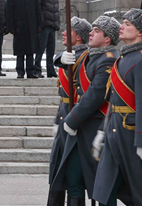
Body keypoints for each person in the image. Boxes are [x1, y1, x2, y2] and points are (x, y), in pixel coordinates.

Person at [92, 9, 142, 206]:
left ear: (140, 32)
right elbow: (114, 101)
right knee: (105, 191)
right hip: (115, 132)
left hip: (131, 134)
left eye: (128, 24)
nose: (122, 26)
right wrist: (103, 132)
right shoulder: (122, 58)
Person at [48, 16, 120, 206]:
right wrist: (59, 58)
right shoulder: (94, 55)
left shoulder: (107, 59)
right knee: (73, 179)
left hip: (95, 124)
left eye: (96, 30)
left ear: (107, 38)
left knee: (100, 185)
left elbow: (94, 95)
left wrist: (71, 121)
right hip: (80, 122)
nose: (91, 33)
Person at [49, 16, 91, 205]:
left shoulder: (86, 57)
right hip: (64, 115)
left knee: (73, 176)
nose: (64, 33)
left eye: (70, 30)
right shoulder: (68, 55)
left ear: (80, 37)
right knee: (57, 171)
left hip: (76, 120)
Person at [6, 0, 42, 79]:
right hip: (19, 28)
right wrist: (11, 27)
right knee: (20, 51)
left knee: (30, 51)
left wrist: (40, 25)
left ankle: (31, 71)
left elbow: (38, 11)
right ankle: (20, 71)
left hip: (31, 27)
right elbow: (9, 13)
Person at [36, 0, 60, 78]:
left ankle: (51, 70)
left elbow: (56, 11)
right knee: (40, 49)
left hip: (52, 26)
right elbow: (37, 10)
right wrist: (40, 24)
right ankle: (37, 69)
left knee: (51, 49)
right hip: (44, 26)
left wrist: (57, 24)